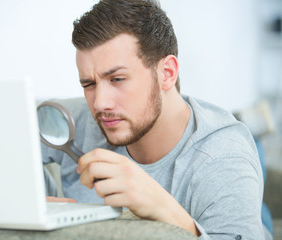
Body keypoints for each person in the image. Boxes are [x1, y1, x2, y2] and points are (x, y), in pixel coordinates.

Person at [41, 0, 269, 239]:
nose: (99, 103)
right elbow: (6, 133)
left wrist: (163, 207)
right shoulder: (76, 119)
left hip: (220, 160)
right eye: (88, 84)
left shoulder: (225, 157)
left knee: (248, 157)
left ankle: (250, 128)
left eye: (117, 79)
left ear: (167, 73)